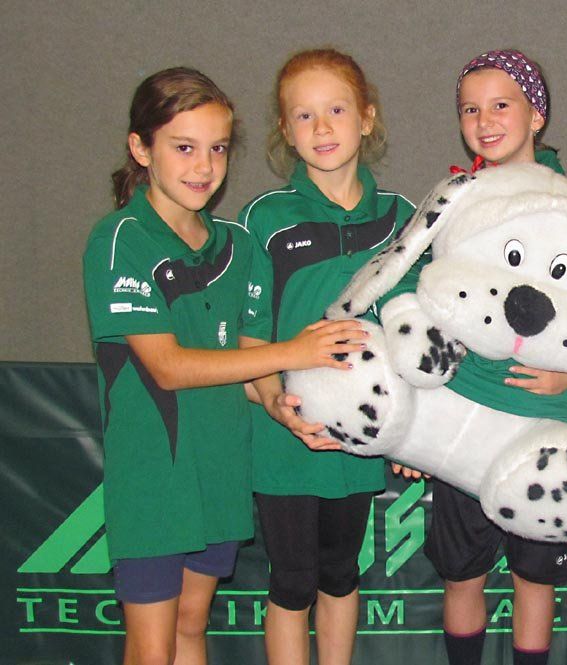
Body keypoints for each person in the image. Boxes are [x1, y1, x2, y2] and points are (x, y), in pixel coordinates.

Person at [82, 67, 365, 665]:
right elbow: (167, 366)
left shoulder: (237, 245)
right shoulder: (120, 240)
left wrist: (280, 405)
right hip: (154, 477)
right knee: (152, 648)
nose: (204, 167)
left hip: (220, 472)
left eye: (217, 149)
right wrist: (294, 353)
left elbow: (247, 359)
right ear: (141, 149)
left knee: (192, 625)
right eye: (183, 148)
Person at [237, 49, 416, 665]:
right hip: (286, 444)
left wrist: (414, 433)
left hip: (360, 444)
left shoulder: (402, 218)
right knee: (292, 584)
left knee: (340, 574)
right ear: (286, 132)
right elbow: (250, 345)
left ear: (366, 118)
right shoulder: (265, 219)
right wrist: (277, 406)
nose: (321, 128)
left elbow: (419, 336)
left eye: (336, 111)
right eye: (304, 116)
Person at [421, 49, 567, 665]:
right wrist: (419, 421)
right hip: (463, 424)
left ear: (536, 114)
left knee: (534, 581)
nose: (484, 120)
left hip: (544, 426)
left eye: (501, 105)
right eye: (470, 109)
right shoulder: (452, 204)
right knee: (462, 576)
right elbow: (419, 307)